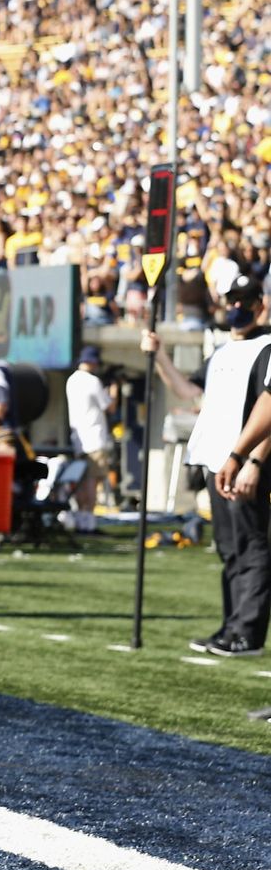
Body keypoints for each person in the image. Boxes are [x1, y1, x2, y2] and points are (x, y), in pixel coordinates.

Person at [157, 275, 271, 658]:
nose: (236, 306)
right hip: (215, 459)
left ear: (260, 304)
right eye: (232, 299)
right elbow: (188, 391)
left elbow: (268, 408)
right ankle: (232, 625)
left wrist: (254, 460)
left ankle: (248, 633)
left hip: (242, 461)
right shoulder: (221, 351)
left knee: (251, 544)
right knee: (228, 546)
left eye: (244, 300)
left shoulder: (267, 346)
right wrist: (157, 356)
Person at [65, 344, 117, 525]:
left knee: (81, 481)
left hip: (78, 440)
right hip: (94, 438)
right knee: (93, 481)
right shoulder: (93, 382)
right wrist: (114, 390)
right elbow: (109, 407)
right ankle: (88, 520)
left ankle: (80, 517)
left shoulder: (71, 380)